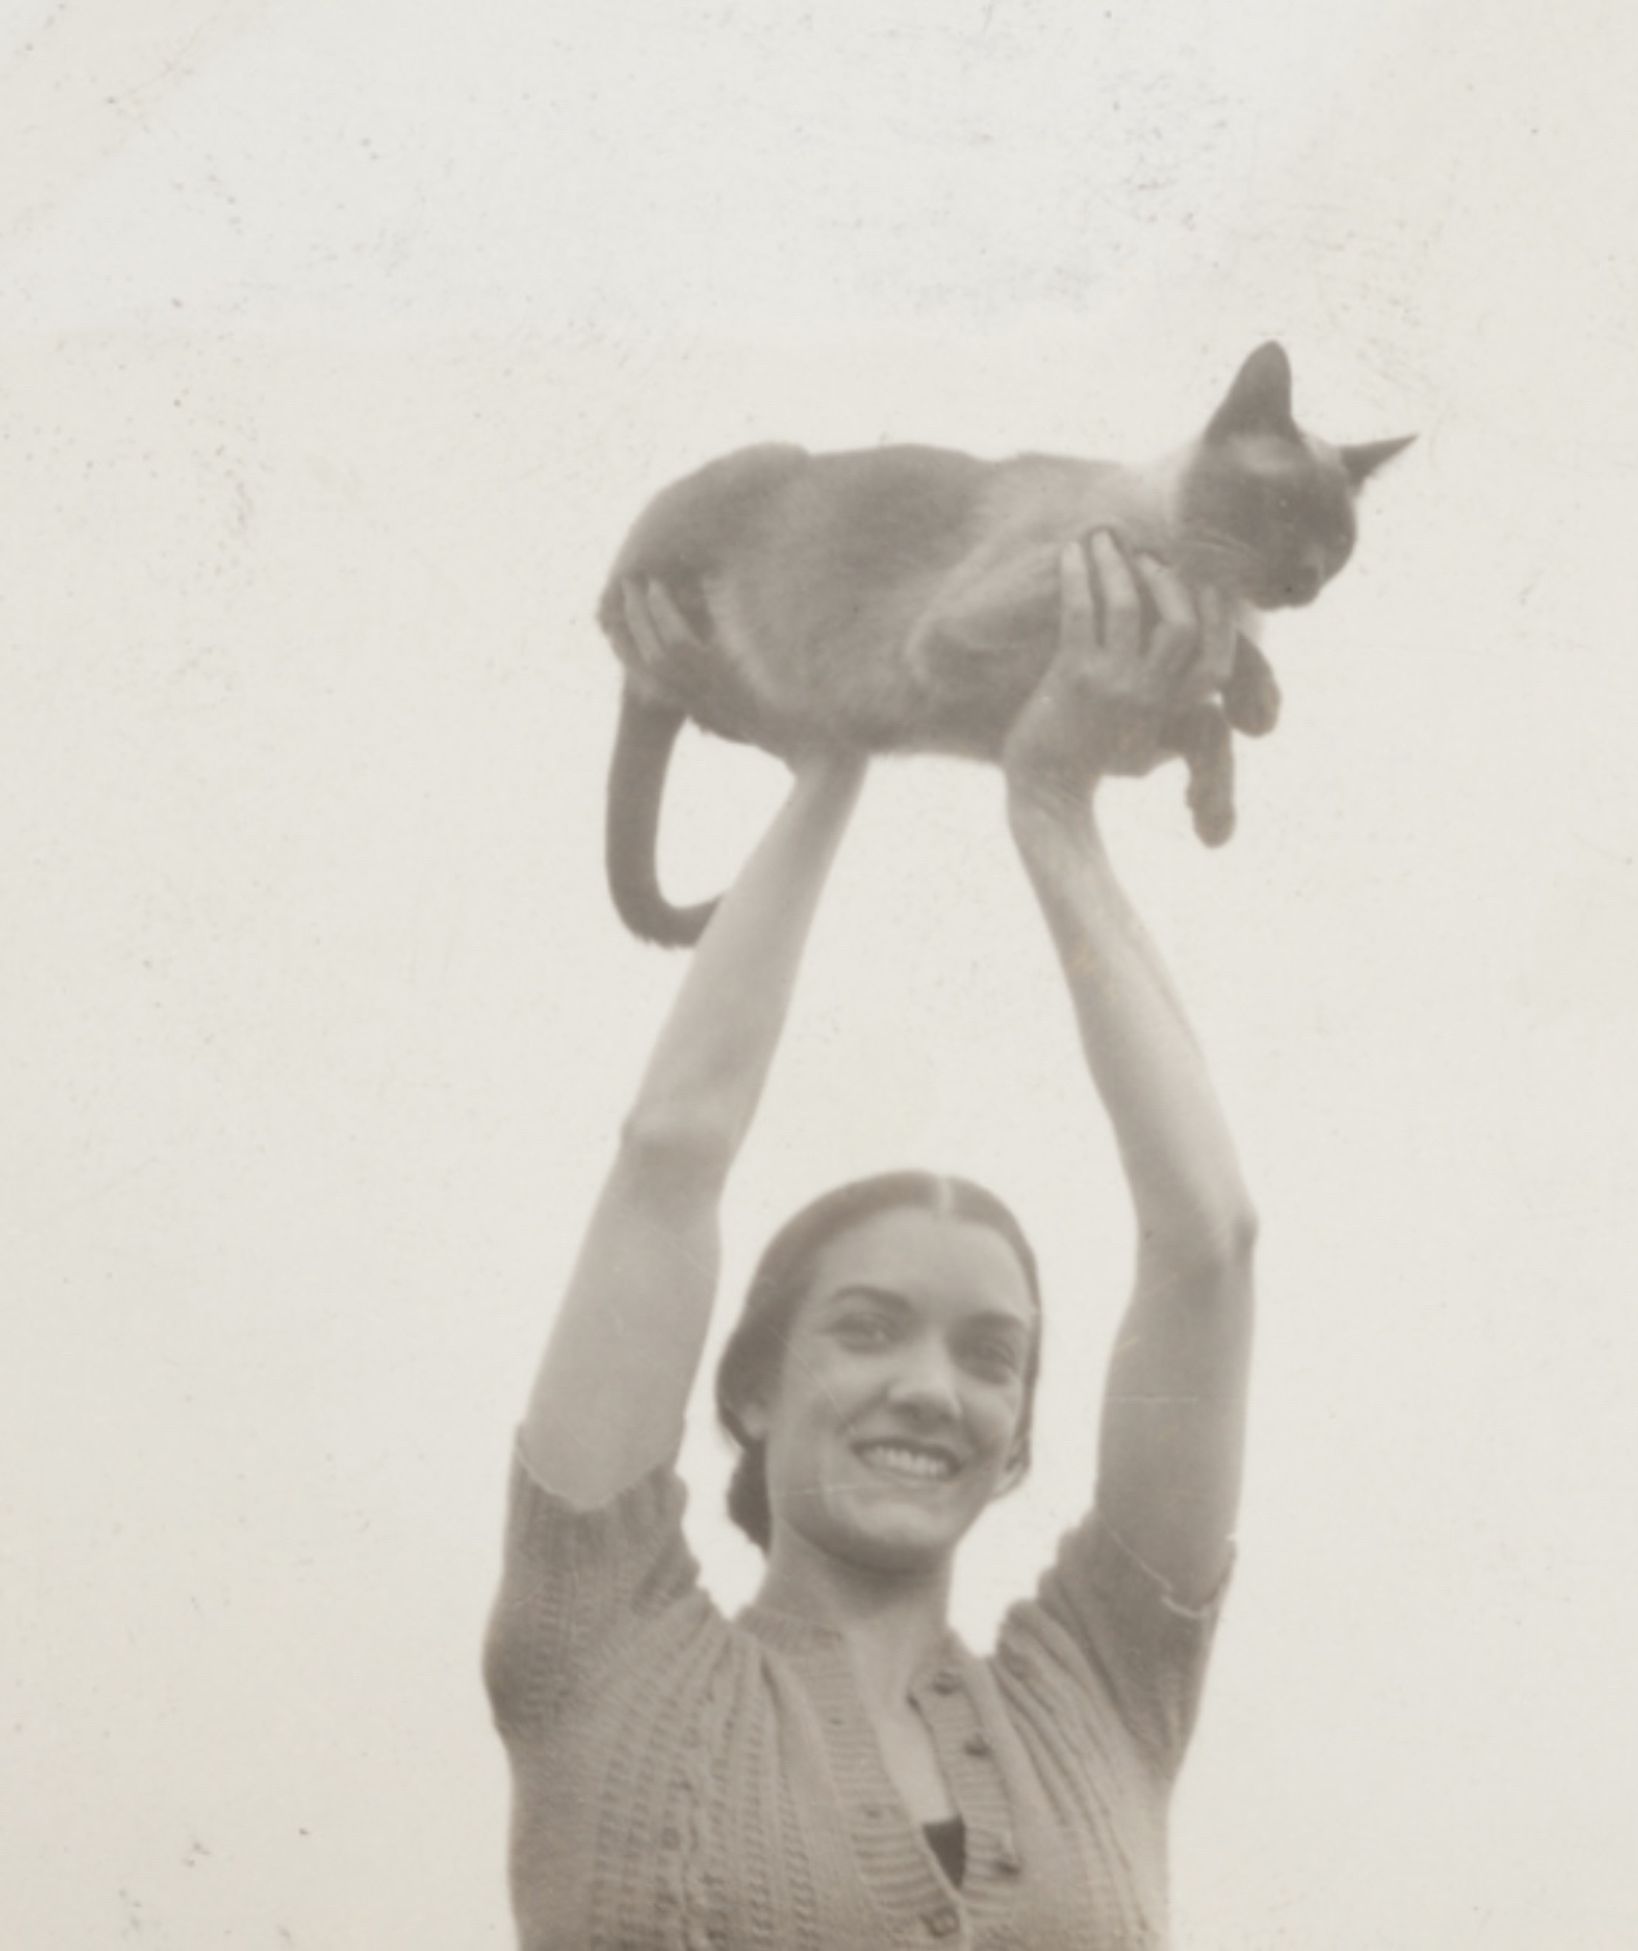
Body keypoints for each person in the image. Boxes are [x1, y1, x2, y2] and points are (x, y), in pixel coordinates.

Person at [485, 533, 1258, 1950]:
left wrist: (1052, 804)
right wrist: (830, 754)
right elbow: (671, 1154)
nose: (930, 1386)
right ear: (753, 1386)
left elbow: (1207, 1245)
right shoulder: (596, 1648)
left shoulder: (1109, 1689)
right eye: (866, 1324)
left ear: (1022, 1434)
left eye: (991, 1357)